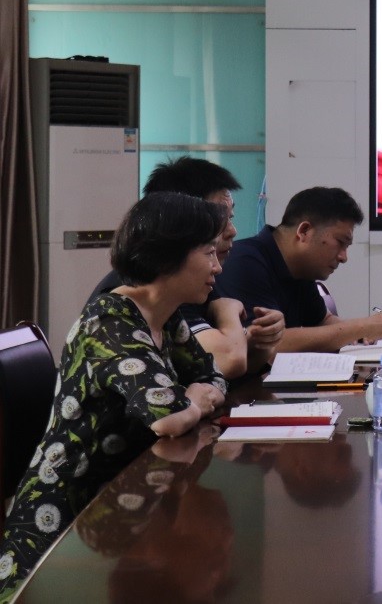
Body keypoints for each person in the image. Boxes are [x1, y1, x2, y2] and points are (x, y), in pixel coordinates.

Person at [0, 193, 228, 599]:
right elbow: (169, 417)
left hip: (119, 501)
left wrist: (193, 396)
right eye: (209, 253)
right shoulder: (109, 321)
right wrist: (194, 400)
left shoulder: (165, 315)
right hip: (64, 531)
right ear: (168, 256)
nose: (218, 267)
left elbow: (212, 375)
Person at [88, 156, 284, 379]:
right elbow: (228, 361)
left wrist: (260, 343)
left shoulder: (184, 289)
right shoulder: (131, 301)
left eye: (230, 218)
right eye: (219, 221)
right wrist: (227, 310)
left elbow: (209, 373)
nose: (232, 231)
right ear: (178, 225)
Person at [216, 186, 382, 352]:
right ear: (304, 231)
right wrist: (361, 327)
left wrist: (369, 329)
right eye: (340, 242)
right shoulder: (243, 261)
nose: (344, 257)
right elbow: (266, 344)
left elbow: (323, 321)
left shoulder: (301, 269)